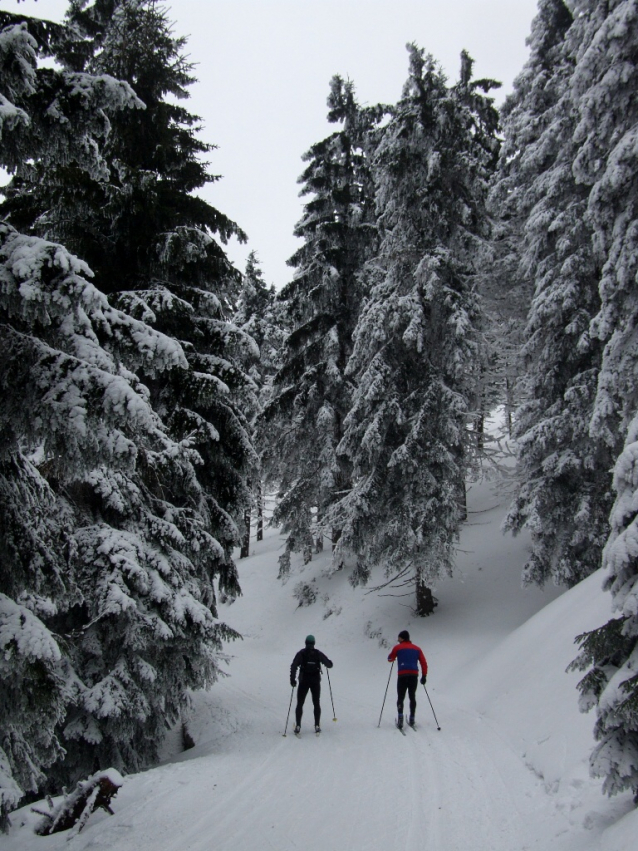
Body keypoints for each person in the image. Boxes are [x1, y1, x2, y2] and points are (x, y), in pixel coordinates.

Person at [290, 635, 333, 734]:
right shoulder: (318, 653)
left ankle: (298, 726)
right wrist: (329, 663)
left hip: (303, 681)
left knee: (300, 703)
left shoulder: (301, 653)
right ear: (314, 643)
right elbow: (329, 665)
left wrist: (292, 679)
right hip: (315, 681)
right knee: (316, 703)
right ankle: (317, 725)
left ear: (305, 643)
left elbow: (293, 666)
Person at [387, 630, 427, 729]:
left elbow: (389, 659)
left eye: (399, 638)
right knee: (412, 696)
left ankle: (400, 718)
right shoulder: (417, 649)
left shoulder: (397, 648)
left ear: (403, 638)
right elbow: (423, 662)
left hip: (402, 675)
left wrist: (396, 657)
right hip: (414, 675)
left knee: (401, 697)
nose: (398, 639)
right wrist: (424, 676)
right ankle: (412, 718)